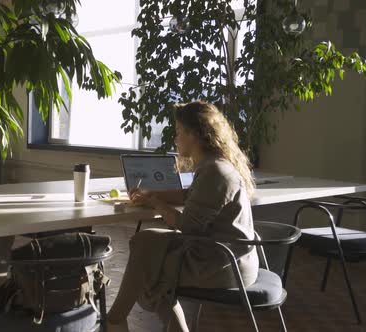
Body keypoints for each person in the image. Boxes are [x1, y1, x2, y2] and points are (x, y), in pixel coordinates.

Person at [107, 101, 259, 332]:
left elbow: (187, 226)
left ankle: (115, 320)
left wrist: (154, 202)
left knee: (147, 258)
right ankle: (117, 320)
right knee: (145, 246)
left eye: (179, 132)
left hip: (221, 266)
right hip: (230, 257)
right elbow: (190, 195)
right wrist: (154, 193)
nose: (176, 139)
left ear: (194, 135)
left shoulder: (214, 171)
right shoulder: (217, 165)